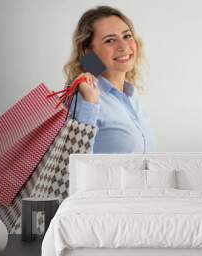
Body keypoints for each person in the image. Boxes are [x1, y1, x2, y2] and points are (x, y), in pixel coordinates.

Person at [65, 6, 156, 154]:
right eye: (110, 40)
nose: (123, 46)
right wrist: (90, 103)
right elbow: (74, 164)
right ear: (88, 51)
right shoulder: (85, 98)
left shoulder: (132, 96)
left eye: (127, 36)